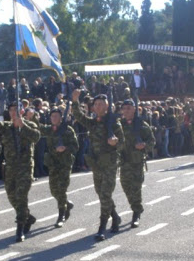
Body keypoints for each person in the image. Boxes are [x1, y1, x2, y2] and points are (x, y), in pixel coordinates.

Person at [0, 101, 41, 242]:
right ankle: (28, 217)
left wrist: (22, 125)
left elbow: (36, 136)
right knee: (11, 196)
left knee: (21, 196)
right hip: (10, 168)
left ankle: (20, 228)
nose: (13, 112)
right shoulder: (7, 127)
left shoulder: (29, 125)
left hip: (25, 167)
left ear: (22, 111)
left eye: (16, 109)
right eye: (11, 110)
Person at [71, 90, 124, 241]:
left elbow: (123, 143)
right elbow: (79, 117)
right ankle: (115, 217)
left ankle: (102, 226)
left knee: (106, 193)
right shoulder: (93, 123)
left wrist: (116, 143)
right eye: (96, 104)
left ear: (107, 106)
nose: (98, 106)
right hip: (96, 164)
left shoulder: (114, 122)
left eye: (101, 104)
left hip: (110, 164)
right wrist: (75, 101)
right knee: (101, 193)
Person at [37, 104, 79, 228]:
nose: (54, 118)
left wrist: (65, 148)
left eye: (56, 116)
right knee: (53, 190)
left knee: (61, 189)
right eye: (52, 116)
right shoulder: (49, 129)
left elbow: (76, 147)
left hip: (65, 163)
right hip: (53, 163)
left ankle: (62, 214)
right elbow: (37, 127)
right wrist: (31, 116)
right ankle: (66, 204)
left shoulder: (68, 130)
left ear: (61, 118)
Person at [119, 99, 154, 228]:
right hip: (123, 161)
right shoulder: (119, 125)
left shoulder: (141, 125)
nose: (126, 110)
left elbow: (152, 141)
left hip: (137, 161)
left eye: (129, 108)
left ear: (134, 109)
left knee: (136, 187)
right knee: (125, 186)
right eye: (124, 108)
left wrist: (144, 145)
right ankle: (136, 207)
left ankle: (136, 212)